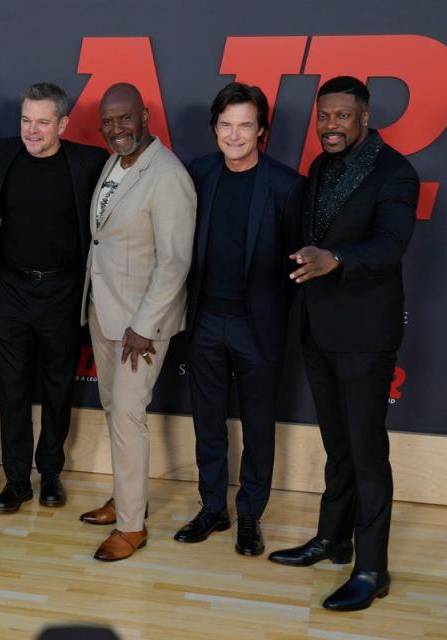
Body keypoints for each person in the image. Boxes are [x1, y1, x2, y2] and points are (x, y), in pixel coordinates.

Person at [269, 76, 418, 611]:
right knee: (338, 444)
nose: (330, 126)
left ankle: (372, 568)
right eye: (324, 116)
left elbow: (392, 243)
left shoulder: (395, 173)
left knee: (367, 452)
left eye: (342, 117)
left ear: (364, 119)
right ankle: (332, 539)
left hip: (364, 335)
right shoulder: (318, 167)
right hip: (317, 326)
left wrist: (339, 259)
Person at [175, 83, 304, 555]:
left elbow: (297, 265)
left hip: (258, 327)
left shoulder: (287, 185)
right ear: (215, 129)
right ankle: (213, 508)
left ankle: (250, 515)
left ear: (262, 131)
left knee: (258, 425)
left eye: (245, 125)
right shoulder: (200, 173)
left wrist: (272, 317)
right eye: (226, 125)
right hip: (206, 318)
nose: (234, 135)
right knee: (208, 420)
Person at [78, 83, 196, 561]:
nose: (115, 129)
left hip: (138, 329)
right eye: (108, 121)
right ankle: (129, 500)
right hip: (105, 313)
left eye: (124, 119)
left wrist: (145, 324)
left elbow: (174, 261)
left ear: (145, 116)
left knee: (127, 416)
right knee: (114, 411)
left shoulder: (167, 175)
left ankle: (132, 527)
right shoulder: (117, 162)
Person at [0, 83, 108, 514]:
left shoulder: (88, 162)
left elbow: (138, 169)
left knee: (58, 388)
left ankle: (51, 473)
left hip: (62, 291)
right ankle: (17, 480)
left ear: (63, 123)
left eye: (42, 122)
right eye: (25, 120)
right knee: (14, 388)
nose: (32, 130)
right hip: (11, 288)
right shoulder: (1, 154)